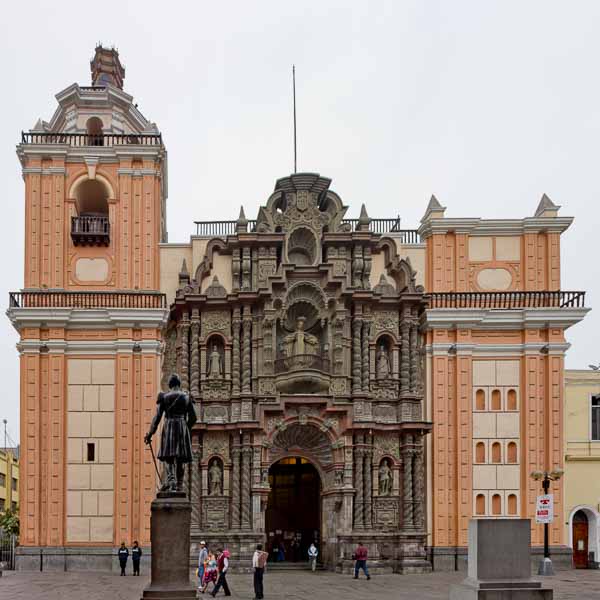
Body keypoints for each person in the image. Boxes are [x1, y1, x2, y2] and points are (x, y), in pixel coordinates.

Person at [144, 373, 197, 493]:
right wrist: (186, 429)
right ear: (179, 384)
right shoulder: (187, 397)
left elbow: (157, 418)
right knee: (181, 458)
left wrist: (150, 434)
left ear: (170, 384)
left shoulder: (164, 397)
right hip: (182, 426)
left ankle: (171, 482)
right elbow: (194, 417)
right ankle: (179, 485)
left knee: (169, 457)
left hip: (169, 428)